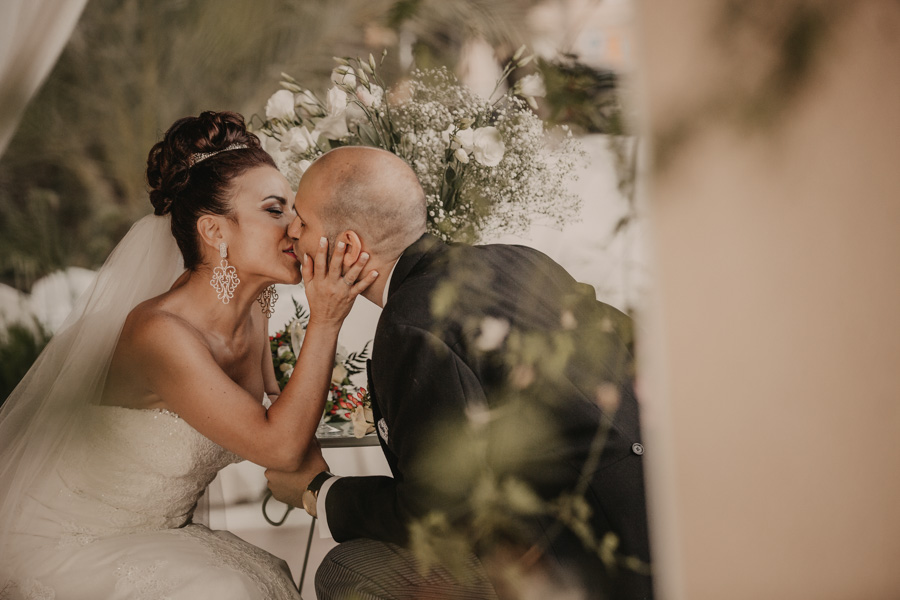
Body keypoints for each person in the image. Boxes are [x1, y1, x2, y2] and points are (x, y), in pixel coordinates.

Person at [0, 111, 377, 599]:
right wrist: (327, 319)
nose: (295, 227)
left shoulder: (254, 314)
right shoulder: (161, 334)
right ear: (215, 232)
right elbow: (279, 445)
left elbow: (287, 428)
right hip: (68, 541)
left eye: (294, 210)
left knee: (266, 577)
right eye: (274, 209)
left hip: (158, 534)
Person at [265, 146, 653, 599]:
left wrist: (317, 491)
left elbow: (441, 515)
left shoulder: (412, 318)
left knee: (349, 569)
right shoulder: (520, 258)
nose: (291, 230)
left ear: (348, 247)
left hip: (588, 569)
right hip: (654, 522)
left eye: (303, 222)